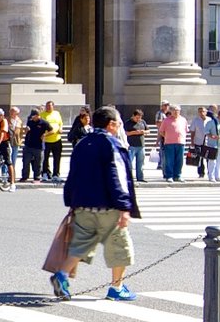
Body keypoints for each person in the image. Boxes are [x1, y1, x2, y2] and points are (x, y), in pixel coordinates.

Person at [51, 106, 143, 302]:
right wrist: (124, 206)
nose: (119, 125)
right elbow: (117, 176)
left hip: (83, 204)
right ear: (110, 125)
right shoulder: (113, 144)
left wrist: (71, 201)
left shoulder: (83, 143)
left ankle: (62, 275)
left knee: (80, 245)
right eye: (118, 122)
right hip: (108, 206)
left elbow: (73, 175)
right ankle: (116, 288)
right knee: (120, 247)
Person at [155, 104, 185, 183]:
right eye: (174, 110)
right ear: (170, 111)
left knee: (179, 160)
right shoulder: (166, 120)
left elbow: (185, 130)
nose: (176, 112)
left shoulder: (183, 120)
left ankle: (177, 175)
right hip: (169, 143)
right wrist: (167, 136)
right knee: (169, 160)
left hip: (180, 142)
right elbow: (161, 131)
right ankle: (169, 176)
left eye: (177, 110)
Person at [199, 106, 220, 183]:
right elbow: (206, 131)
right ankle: (211, 176)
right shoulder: (211, 122)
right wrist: (212, 136)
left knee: (219, 161)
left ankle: (217, 176)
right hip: (212, 145)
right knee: (212, 161)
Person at [24, 105, 49, 183]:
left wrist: (45, 135)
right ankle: (24, 176)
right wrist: (26, 130)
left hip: (39, 146)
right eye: (32, 116)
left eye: (34, 116)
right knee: (26, 161)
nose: (32, 118)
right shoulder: (30, 121)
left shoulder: (44, 122)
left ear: (38, 115)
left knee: (38, 163)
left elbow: (52, 130)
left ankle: (37, 177)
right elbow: (26, 130)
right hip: (28, 145)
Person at [43, 104, 67, 180]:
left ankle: (56, 174)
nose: (48, 107)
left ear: (53, 106)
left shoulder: (57, 113)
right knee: (45, 158)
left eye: (50, 106)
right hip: (46, 140)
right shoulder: (42, 114)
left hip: (57, 139)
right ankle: (45, 173)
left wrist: (60, 128)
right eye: (47, 106)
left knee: (57, 158)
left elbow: (60, 123)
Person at [124, 110, 147, 181]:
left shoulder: (142, 122)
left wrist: (144, 132)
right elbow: (125, 133)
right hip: (132, 146)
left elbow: (148, 130)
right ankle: (129, 177)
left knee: (140, 163)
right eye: (137, 118)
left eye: (140, 118)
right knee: (129, 163)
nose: (138, 119)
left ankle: (140, 177)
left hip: (141, 145)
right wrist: (134, 132)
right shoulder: (128, 123)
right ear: (133, 116)